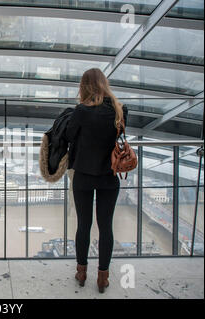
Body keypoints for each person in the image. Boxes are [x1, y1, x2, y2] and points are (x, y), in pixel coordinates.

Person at [65, 68, 128, 293]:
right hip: (109, 176)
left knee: (84, 225)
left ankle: (81, 273)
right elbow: (119, 137)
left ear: (84, 86)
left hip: (83, 175)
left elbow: (70, 135)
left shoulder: (81, 111)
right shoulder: (120, 110)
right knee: (106, 227)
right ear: (104, 84)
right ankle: (103, 277)